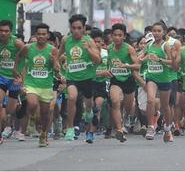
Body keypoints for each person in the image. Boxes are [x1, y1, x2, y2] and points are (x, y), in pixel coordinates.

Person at [13, 23, 65, 147]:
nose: (41, 36)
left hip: (46, 85)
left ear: (47, 36)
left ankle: (44, 134)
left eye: (44, 34)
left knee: (45, 114)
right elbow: (19, 56)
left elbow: (57, 69)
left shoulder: (52, 50)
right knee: (32, 103)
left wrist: (54, 63)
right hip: (31, 83)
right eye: (39, 34)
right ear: (35, 35)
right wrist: (15, 71)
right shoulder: (28, 48)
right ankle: (31, 118)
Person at [59, 14, 101, 143]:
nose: (76, 31)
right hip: (72, 77)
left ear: (83, 28)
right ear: (70, 28)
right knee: (72, 97)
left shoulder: (89, 41)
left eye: (79, 28)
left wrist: (88, 50)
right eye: (73, 28)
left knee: (88, 105)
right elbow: (58, 54)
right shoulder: (66, 40)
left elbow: (98, 60)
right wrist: (60, 66)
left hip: (87, 78)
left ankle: (88, 111)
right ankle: (70, 128)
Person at [139, 22, 174, 142]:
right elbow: (140, 57)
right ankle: (151, 127)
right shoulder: (149, 45)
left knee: (165, 106)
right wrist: (141, 59)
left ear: (164, 32)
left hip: (164, 78)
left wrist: (159, 59)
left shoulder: (166, 46)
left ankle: (168, 129)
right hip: (151, 77)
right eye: (154, 31)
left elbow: (171, 62)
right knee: (150, 100)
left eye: (159, 31)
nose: (156, 33)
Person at [108, 23, 141, 143]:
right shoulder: (109, 48)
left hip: (128, 80)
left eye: (119, 35)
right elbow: (108, 63)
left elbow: (138, 65)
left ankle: (125, 119)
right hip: (115, 79)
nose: (117, 37)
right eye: (115, 35)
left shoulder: (129, 49)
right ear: (111, 36)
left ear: (124, 37)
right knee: (115, 101)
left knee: (127, 106)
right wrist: (107, 71)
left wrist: (126, 65)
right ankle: (119, 129)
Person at [0, 19, 24, 142]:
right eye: (1, 31)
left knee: (9, 110)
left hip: (14, 79)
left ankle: (9, 126)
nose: (3, 33)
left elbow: (28, 60)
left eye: (6, 31)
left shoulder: (17, 43)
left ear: (11, 32)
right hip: (1, 77)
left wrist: (21, 79)